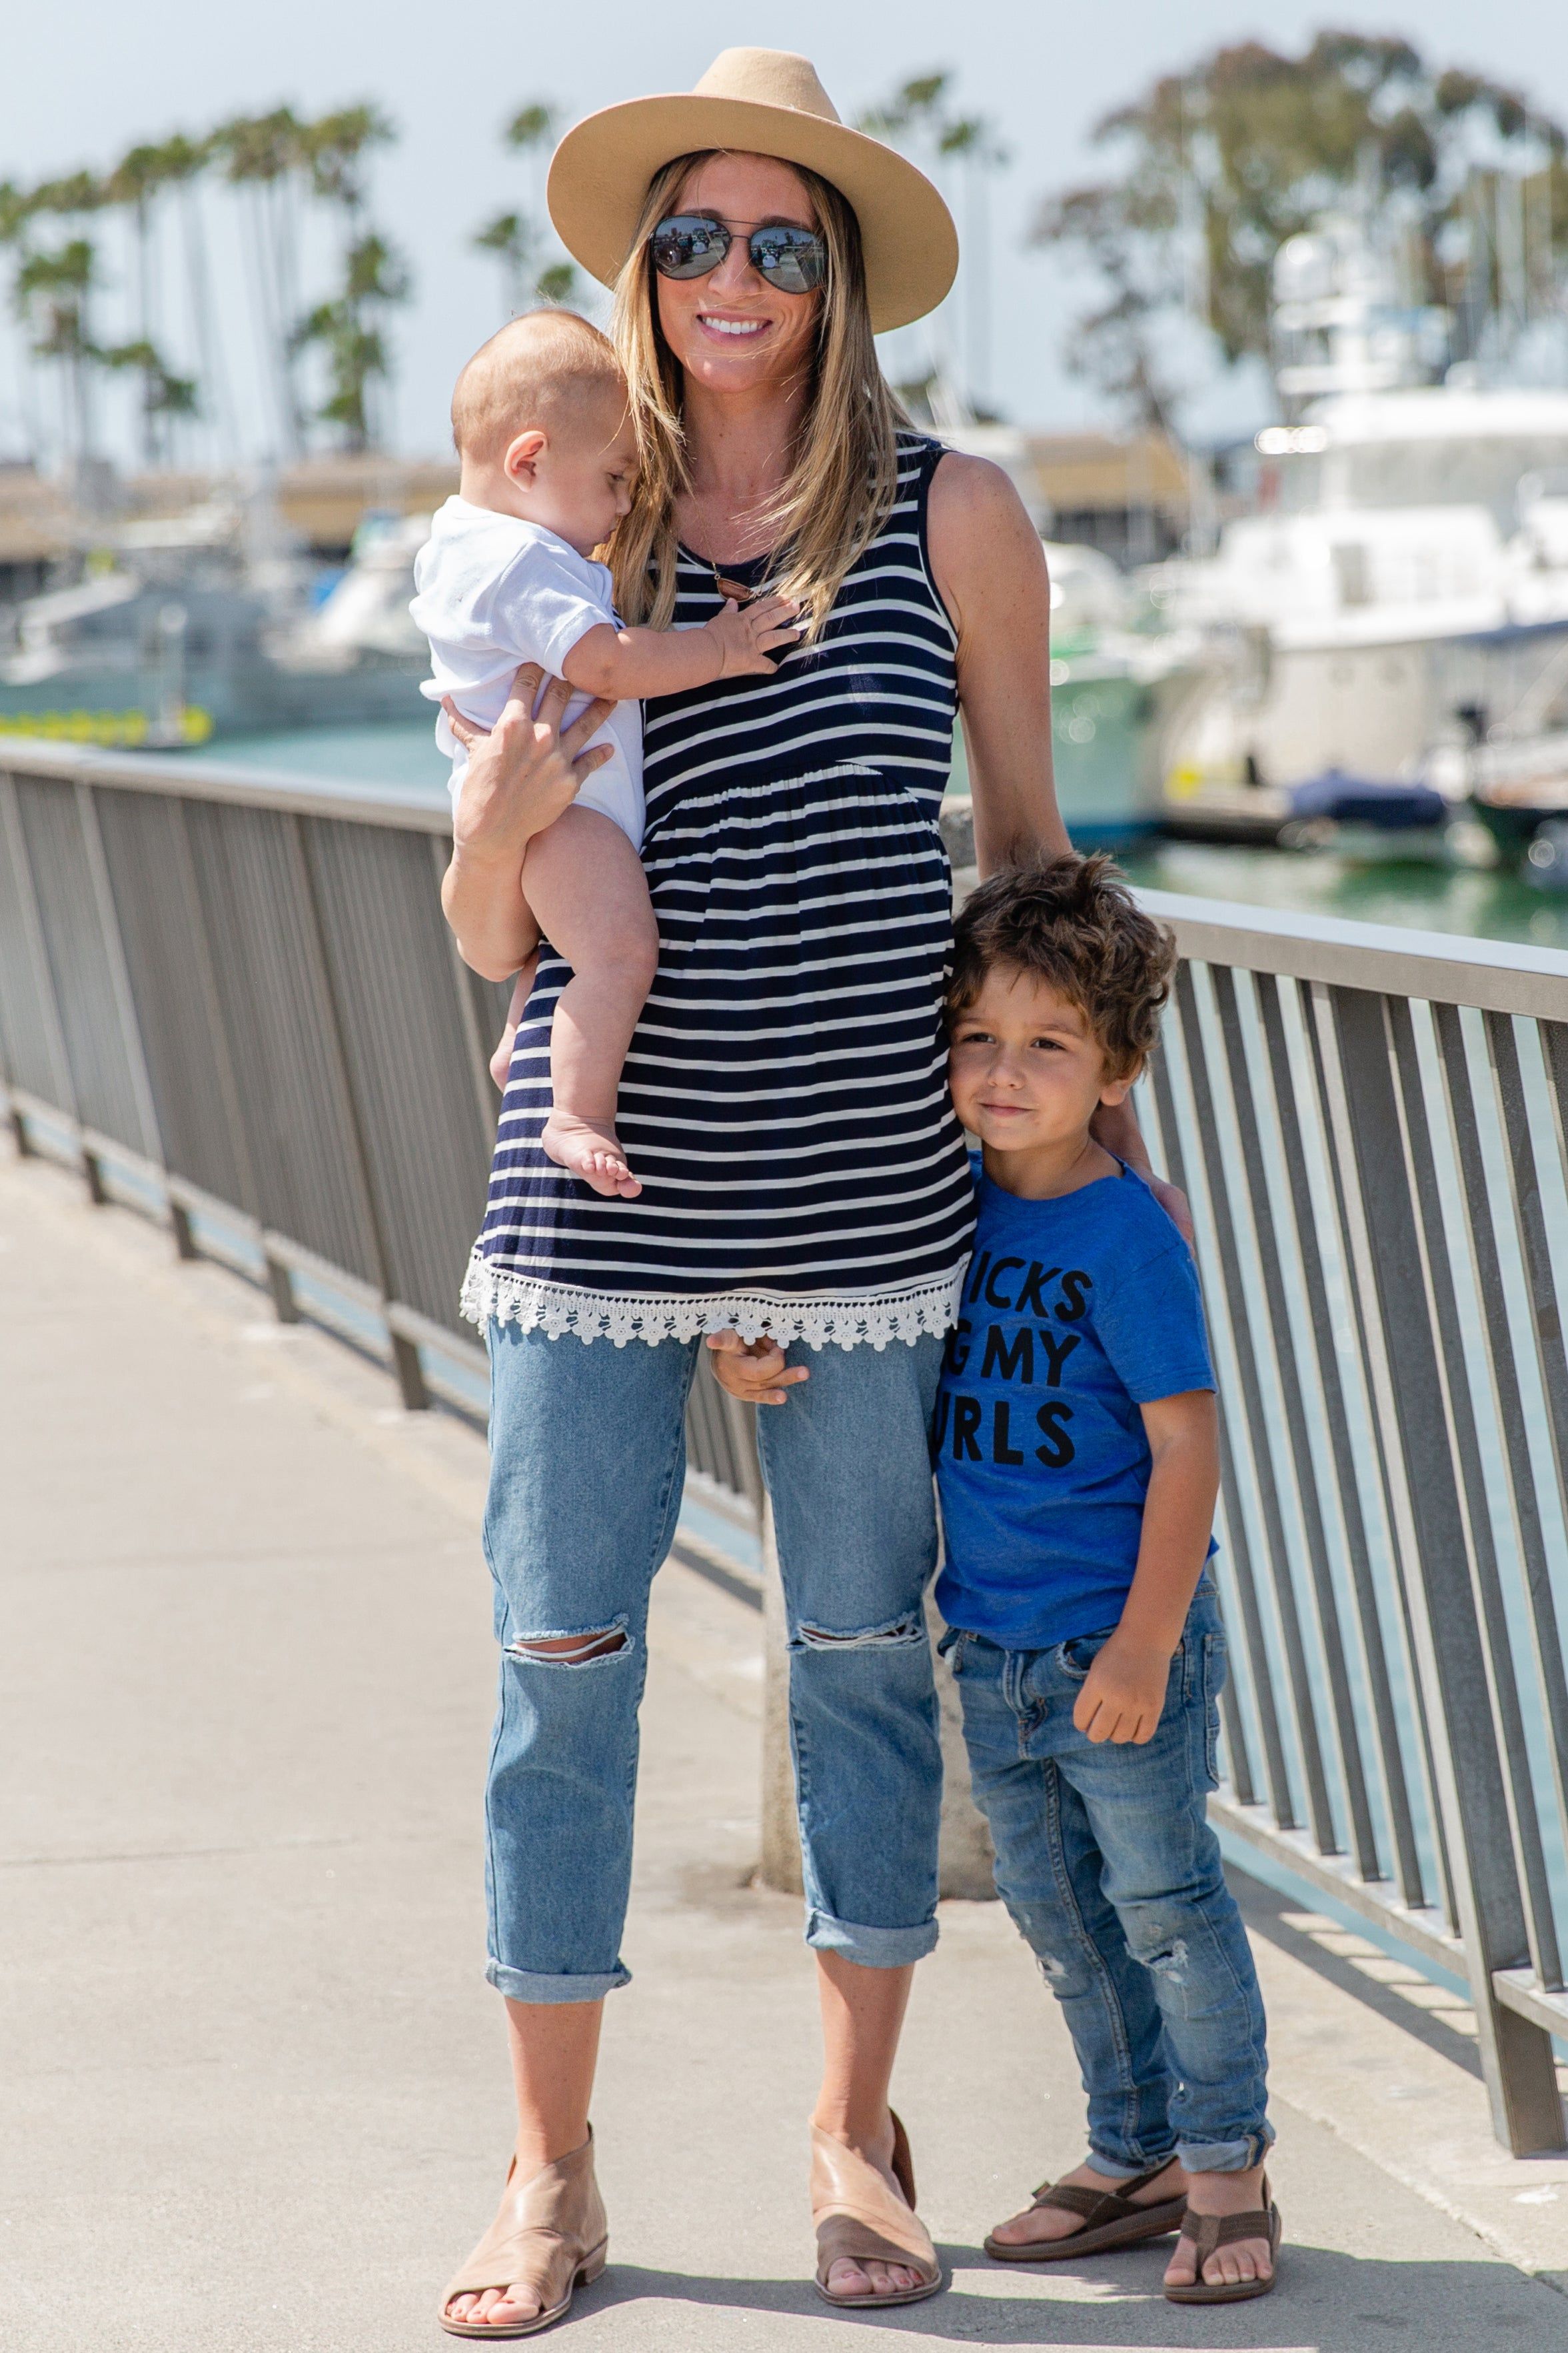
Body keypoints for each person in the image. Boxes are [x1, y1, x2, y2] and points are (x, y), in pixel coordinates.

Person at [436, 48, 1183, 2338]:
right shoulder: (575, 524)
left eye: (780, 239)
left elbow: (1030, 856)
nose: (733, 276)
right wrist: (491, 827)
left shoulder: (954, 515)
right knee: (562, 1667)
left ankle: (856, 2139)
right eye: (692, 238)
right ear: (640, 273)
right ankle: (545, 2168)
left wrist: (1092, 1142)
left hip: (868, 1208)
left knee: (865, 1672)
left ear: (840, 276)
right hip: (604, 1196)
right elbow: (491, 926)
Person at [936, 856, 1279, 2307]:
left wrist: (1143, 1644)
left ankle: (1224, 2171)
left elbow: (1187, 1445)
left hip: (1111, 1641)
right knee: (1058, 1912)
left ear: (1118, 1067)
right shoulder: (944, 1199)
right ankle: (1128, 2150)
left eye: (1049, 1045)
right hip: (989, 1645)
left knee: (1166, 1902)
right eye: (976, 1039)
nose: (1004, 1074)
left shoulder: (1127, 1233)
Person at [410, 308, 797, 1194]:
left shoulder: (470, 544)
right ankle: (577, 1112)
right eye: (616, 478)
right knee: (619, 953)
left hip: (553, 810)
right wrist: (723, 649)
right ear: (529, 461)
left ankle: (524, 1047)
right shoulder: (519, 561)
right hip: (569, 811)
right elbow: (605, 661)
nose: (625, 504)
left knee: (566, 947)